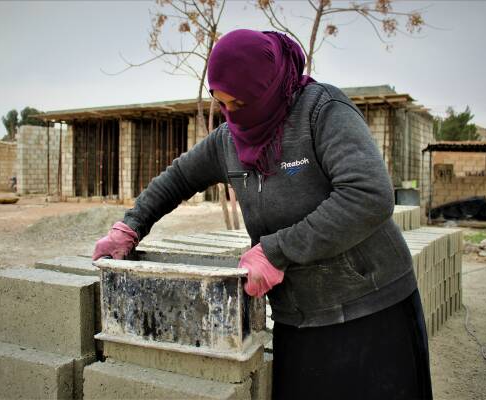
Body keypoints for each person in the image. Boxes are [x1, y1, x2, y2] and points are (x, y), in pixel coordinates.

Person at [93, 29, 432, 399]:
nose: (232, 114)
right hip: (297, 316)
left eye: (240, 102)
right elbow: (178, 179)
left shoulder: (322, 111)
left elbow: (368, 195)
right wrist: (130, 226)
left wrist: (276, 251)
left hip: (371, 306)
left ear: (267, 88)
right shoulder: (228, 141)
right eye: (221, 102)